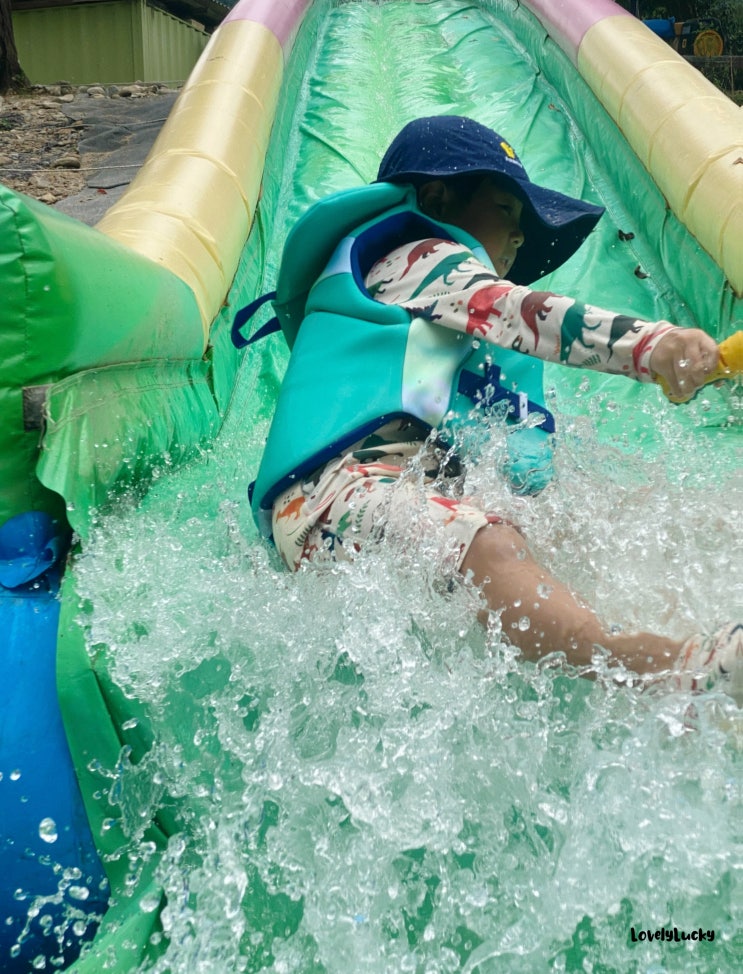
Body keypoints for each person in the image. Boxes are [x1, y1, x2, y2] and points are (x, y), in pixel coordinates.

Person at [241, 115, 742, 701]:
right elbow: (520, 314)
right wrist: (653, 346)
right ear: (437, 199)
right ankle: (666, 670)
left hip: (390, 497)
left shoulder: (438, 323)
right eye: (507, 209)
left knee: (598, 516)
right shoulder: (416, 258)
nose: (521, 236)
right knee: (492, 542)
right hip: (329, 498)